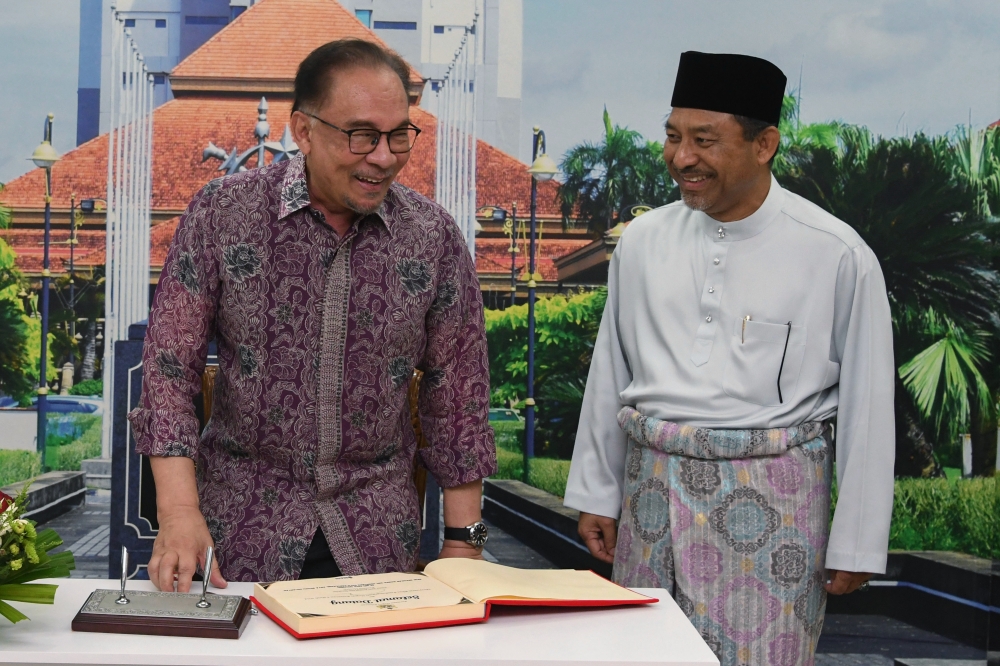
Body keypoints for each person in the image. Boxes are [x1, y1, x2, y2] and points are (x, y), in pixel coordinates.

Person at [129, 39, 496, 593]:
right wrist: (179, 513)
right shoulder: (223, 213)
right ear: (303, 130)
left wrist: (465, 542)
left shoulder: (434, 238)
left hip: (377, 545)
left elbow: (458, 397)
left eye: (400, 135)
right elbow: (168, 372)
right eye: (362, 135)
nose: (384, 156)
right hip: (236, 538)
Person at [564, 51, 895, 666]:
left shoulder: (836, 253)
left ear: (764, 143)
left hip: (773, 508)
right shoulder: (641, 242)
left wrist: (856, 540)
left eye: (704, 140)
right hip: (650, 500)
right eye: (672, 135)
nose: (680, 157)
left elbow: (869, 408)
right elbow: (611, 371)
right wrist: (596, 491)